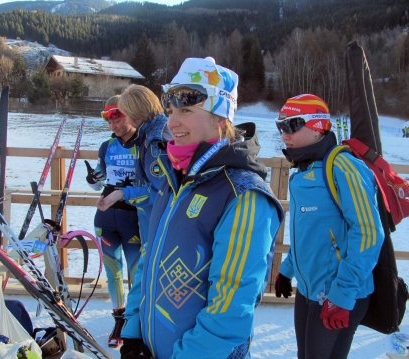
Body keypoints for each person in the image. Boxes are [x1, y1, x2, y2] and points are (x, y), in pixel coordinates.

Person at [116, 57, 284, 359]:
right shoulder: (175, 179)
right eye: (170, 111)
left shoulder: (243, 195)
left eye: (186, 111)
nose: (172, 122)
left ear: (220, 119)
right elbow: (150, 256)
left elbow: (230, 311)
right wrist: (133, 331)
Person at [274, 94, 384, 359]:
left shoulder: (344, 167)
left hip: (339, 291)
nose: (284, 134)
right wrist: (287, 270)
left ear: (318, 126)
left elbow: (368, 233)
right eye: (281, 127)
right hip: (309, 289)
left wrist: (343, 295)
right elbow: (309, 234)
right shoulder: (303, 170)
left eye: (291, 125)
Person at [84, 95, 141, 348]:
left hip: (135, 218)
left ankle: (135, 321)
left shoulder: (146, 144)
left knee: (136, 273)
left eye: (116, 118)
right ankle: (119, 321)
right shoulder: (107, 147)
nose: (113, 125)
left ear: (131, 114)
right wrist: (92, 180)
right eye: (108, 119)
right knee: (113, 271)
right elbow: (100, 180)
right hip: (106, 216)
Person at [96, 84, 174, 246]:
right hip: (152, 222)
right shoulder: (158, 130)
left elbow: (163, 193)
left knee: (144, 269)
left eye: (124, 113)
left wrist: (124, 194)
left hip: (157, 225)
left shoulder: (154, 142)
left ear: (134, 112)